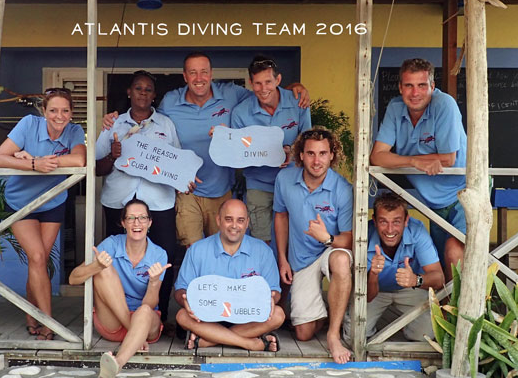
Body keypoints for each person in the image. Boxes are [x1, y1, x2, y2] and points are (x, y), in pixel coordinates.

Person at [102, 52, 309, 249]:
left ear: (211, 74)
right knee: (194, 249)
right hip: (187, 191)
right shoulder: (171, 101)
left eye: (204, 72)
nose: (199, 78)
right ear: (185, 76)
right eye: (192, 72)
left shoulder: (232, 94)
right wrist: (115, 119)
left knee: (225, 248)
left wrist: (295, 88)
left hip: (222, 191)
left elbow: (264, 91)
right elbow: (148, 119)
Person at [0, 87, 87, 340]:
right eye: (53, 110)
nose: (59, 116)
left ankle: (31, 314)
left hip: (52, 201)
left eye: (65, 111)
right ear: (44, 111)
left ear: (71, 113)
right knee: (35, 256)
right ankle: (48, 322)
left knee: (41, 260)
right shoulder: (28, 124)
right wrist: (32, 164)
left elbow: (79, 160)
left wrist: (37, 158)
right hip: (21, 202)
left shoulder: (75, 131)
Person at [95, 70, 180, 326]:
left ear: (154, 96)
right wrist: (112, 155)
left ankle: (159, 317)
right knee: (115, 261)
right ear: (129, 92)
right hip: (119, 203)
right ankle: (120, 316)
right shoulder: (113, 124)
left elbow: (175, 165)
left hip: (159, 203)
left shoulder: (166, 125)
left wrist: (184, 179)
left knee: (163, 261)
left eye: (148, 89)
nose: (142, 93)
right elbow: (97, 168)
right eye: (138, 88)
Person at [370, 58, 467, 281]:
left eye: (422, 85)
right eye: (409, 85)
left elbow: (448, 158)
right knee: (443, 270)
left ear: (432, 87)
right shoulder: (395, 107)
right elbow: (377, 156)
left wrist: (400, 159)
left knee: (455, 251)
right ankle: (448, 315)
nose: (415, 92)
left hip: (464, 193)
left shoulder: (445, 104)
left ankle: (468, 315)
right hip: (433, 203)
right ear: (400, 87)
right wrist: (414, 162)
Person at [273, 126, 353, 364]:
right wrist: (282, 258)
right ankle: (329, 311)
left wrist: (326, 238)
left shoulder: (343, 188)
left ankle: (333, 334)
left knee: (340, 259)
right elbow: (280, 215)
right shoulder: (285, 179)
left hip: (331, 249)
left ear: (332, 155)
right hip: (301, 258)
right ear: (300, 155)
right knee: (304, 334)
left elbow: (348, 239)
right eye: (311, 153)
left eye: (323, 153)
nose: (317, 160)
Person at [69, 199, 170, 378]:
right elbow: (73, 279)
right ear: (123, 223)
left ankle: (117, 363)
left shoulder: (159, 254)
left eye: (142, 218)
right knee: (103, 268)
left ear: (150, 222)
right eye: (131, 218)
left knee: (145, 310)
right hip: (114, 322)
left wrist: (154, 283)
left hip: (145, 324)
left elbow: (150, 303)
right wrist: (96, 267)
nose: (137, 223)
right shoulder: (112, 244)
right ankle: (133, 337)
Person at [174, 199, 284, 352]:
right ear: (218, 220)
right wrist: (185, 299)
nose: (234, 226)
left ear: (247, 223)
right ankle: (249, 343)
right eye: (228, 219)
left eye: (240, 220)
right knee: (181, 315)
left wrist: (272, 298)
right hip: (207, 318)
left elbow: (274, 290)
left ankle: (207, 341)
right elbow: (180, 290)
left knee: (278, 314)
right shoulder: (197, 249)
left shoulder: (263, 251)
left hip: (248, 319)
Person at [232, 55, 311, 244]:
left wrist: (291, 151)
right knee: (261, 240)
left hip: (294, 181)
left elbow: (309, 140)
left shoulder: (297, 101)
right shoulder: (241, 112)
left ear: (278, 80)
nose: (263, 88)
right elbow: (236, 153)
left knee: (296, 239)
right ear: (250, 83)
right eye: (258, 83)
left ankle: (291, 274)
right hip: (258, 183)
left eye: (268, 82)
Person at [345, 192, 444, 341]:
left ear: (406, 221)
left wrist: (415, 280)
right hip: (375, 292)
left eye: (396, 221)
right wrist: (373, 274)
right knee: (355, 336)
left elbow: (439, 278)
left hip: (410, 289)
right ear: (375, 221)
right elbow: (368, 295)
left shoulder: (416, 230)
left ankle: (405, 324)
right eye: (383, 222)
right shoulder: (363, 235)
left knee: (426, 336)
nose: (390, 230)